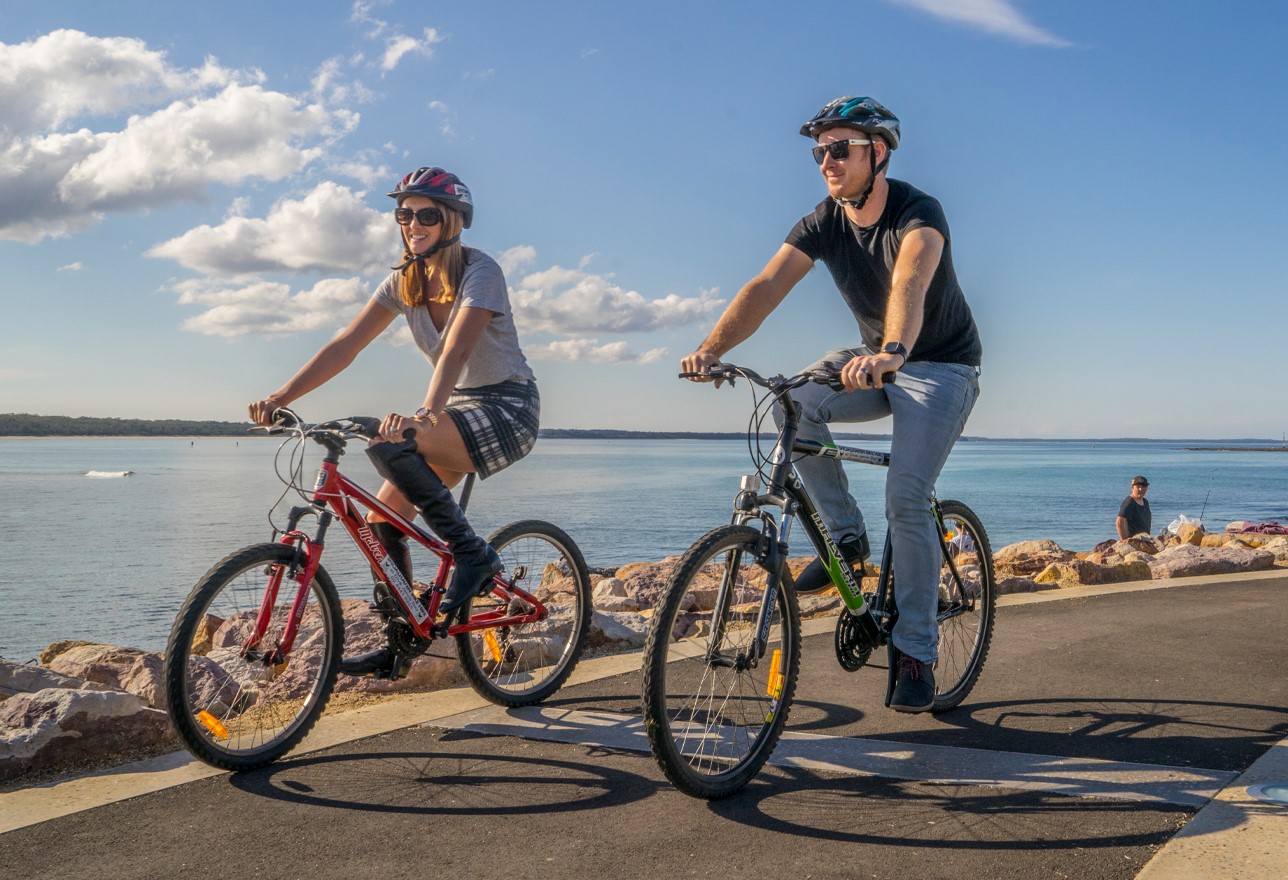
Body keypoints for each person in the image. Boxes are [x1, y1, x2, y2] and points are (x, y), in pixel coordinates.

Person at [680, 96, 982, 713]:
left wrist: (893, 349)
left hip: (939, 367)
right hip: (871, 360)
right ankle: (847, 541)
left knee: (906, 495)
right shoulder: (822, 220)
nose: (827, 160)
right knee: (792, 405)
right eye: (819, 151)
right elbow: (765, 286)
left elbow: (911, 280)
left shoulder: (919, 212)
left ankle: (915, 651)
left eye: (840, 148)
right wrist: (710, 350)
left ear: (879, 153)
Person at [249, 166, 539, 678]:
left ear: (454, 221)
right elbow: (346, 346)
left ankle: (473, 556)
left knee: (388, 445)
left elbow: (457, 348)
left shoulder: (481, 271)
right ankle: (403, 641)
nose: (413, 223)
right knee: (384, 522)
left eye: (427, 214)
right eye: (404, 214)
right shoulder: (403, 281)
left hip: (506, 407)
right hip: (457, 410)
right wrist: (280, 396)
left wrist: (424, 416)